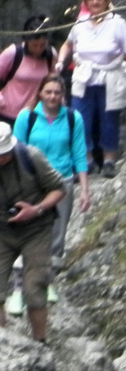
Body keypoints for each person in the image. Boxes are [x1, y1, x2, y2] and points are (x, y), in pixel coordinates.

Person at [54, 0, 126, 177]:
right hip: (84, 78)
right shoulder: (80, 24)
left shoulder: (117, 23)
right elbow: (67, 45)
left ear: (106, 1)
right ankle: (85, 161)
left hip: (110, 77)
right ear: (86, 2)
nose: (95, 2)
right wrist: (61, 61)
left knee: (109, 121)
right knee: (80, 121)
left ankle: (109, 160)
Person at [16, 76, 90, 267]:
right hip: (32, 181)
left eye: (57, 92)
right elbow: (16, 152)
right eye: (48, 92)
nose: (52, 96)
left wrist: (84, 190)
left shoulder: (74, 119)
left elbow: (80, 154)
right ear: (40, 93)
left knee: (58, 230)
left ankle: (52, 270)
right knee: (30, 227)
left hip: (62, 180)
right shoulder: (27, 117)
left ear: (63, 95)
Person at [0, 123, 65, 341]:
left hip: (36, 228)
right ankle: (4, 344)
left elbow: (59, 188)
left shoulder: (32, 157)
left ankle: (40, 341)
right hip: (3, 231)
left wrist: (36, 209)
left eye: (5, 154)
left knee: (34, 287)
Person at [0, 16, 57, 125]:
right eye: (34, 45)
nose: (38, 49)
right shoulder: (13, 53)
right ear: (26, 41)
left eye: (42, 45)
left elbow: (53, 81)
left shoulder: (50, 55)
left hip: (36, 113)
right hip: (8, 113)